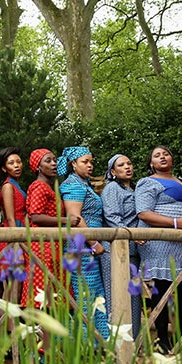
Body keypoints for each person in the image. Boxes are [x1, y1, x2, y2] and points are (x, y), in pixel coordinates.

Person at [135, 145, 182, 353]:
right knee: (162, 291)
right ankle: (162, 340)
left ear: (172, 158)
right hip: (159, 243)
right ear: (151, 163)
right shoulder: (147, 183)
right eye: (157, 155)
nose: (162, 157)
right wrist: (176, 222)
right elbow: (143, 213)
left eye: (166, 154)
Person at [58, 146, 109, 340]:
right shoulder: (73, 185)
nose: (90, 165)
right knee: (85, 295)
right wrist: (94, 243)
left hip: (89, 246)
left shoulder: (84, 183)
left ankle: (96, 342)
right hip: (81, 247)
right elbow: (75, 217)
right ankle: (82, 343)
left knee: (93, 293)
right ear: (73, 164)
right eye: (85, 162)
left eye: (91, 162)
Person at [21, 149, 80, 307]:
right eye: (48, 161)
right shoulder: (39, 186)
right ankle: (39, 331)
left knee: (53, 297)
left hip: (52, 246)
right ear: (38, 167)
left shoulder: (48, 187)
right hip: (42, 247)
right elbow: (35, 216)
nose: (54, 164)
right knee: (42, 296)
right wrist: (65, 221)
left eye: (54, 160)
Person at [100, 154, 142, 338]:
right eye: (121, 165)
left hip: (133, 250)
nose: (127, 167)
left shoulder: (132, 190)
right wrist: (134, 236)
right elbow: (112, 218)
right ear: (113, 172)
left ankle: (132, 341)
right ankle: (115, 342)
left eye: (129, 163)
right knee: (115, 294)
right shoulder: (112, 189)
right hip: (114, 250)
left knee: (134, 296)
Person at [0, 147, 27, 229]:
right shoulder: (8, 186)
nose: (16, 166)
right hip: (15, 227)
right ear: (4, 168)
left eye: (19, 162)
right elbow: (10, 218)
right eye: (11, 163)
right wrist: (15, 238)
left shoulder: (16, 185)